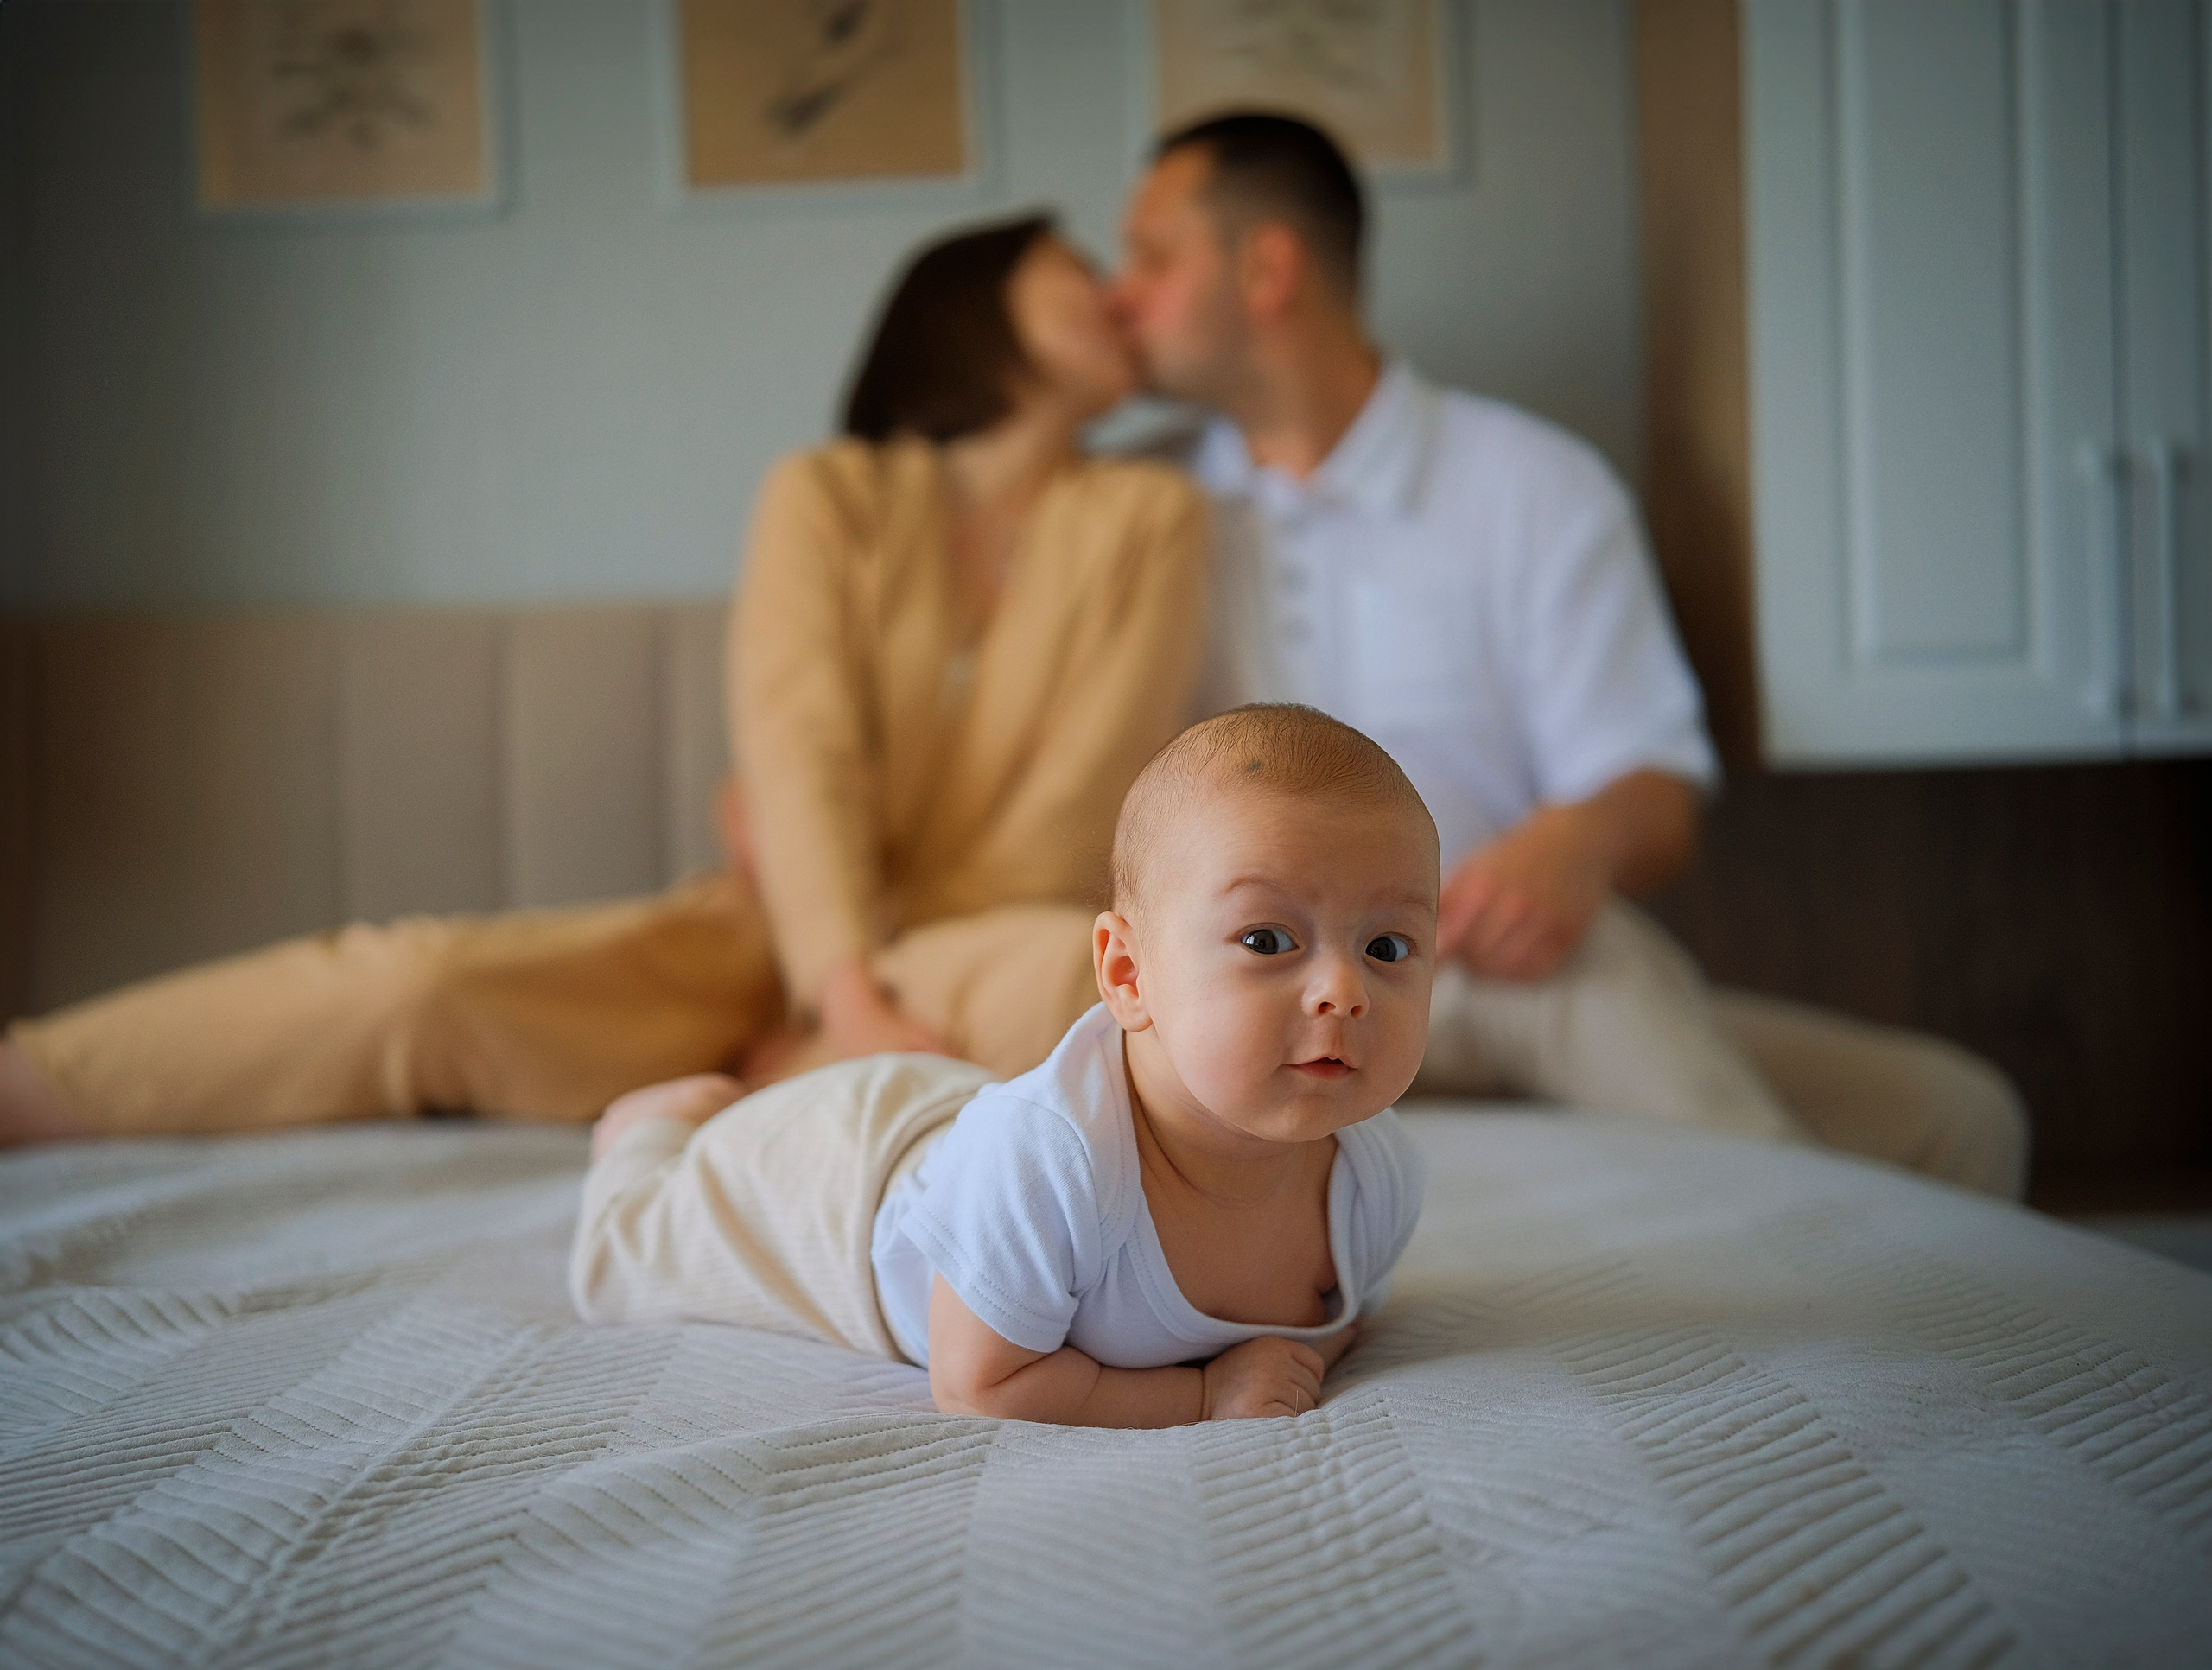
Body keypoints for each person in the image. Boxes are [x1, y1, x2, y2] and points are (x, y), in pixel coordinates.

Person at [0, 213, 1205, 1143]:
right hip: (775, 927)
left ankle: (783, 1068)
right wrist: (837, 988)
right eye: (1074, 263)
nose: (1110, 289)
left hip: (984, 945)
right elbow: (798, 748)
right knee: (431, 983)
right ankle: (35, 1088)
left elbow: (1088, 784)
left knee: (1091, 978)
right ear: (975, 304)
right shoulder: (828, 494)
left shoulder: (1154, 516)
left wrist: (885, 980)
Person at [1111, 111, 2028, 1197]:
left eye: (1153, 258)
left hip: (1487, 960)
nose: (1121, 296)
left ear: (1267, 266)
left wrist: (1581, 840)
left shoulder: (1534, 486)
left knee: (1955, 1114)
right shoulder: (1135, 513)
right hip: (1287, 990)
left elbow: (1652, 790)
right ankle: (1817, 1275)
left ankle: (1894, 1294)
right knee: (1570, 976)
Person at [570, 704, 1429, 1426]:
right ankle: (655, 1127)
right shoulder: (1054, 1167)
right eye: (1267, 939)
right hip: (848, 1184)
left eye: (1388, 945)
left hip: (971, 1117)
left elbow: (1334, 1328)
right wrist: (1205, 1391)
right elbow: (978, 1383)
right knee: (630, 1256)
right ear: (1129, 976)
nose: (1344, 991)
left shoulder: (1372, 1177)